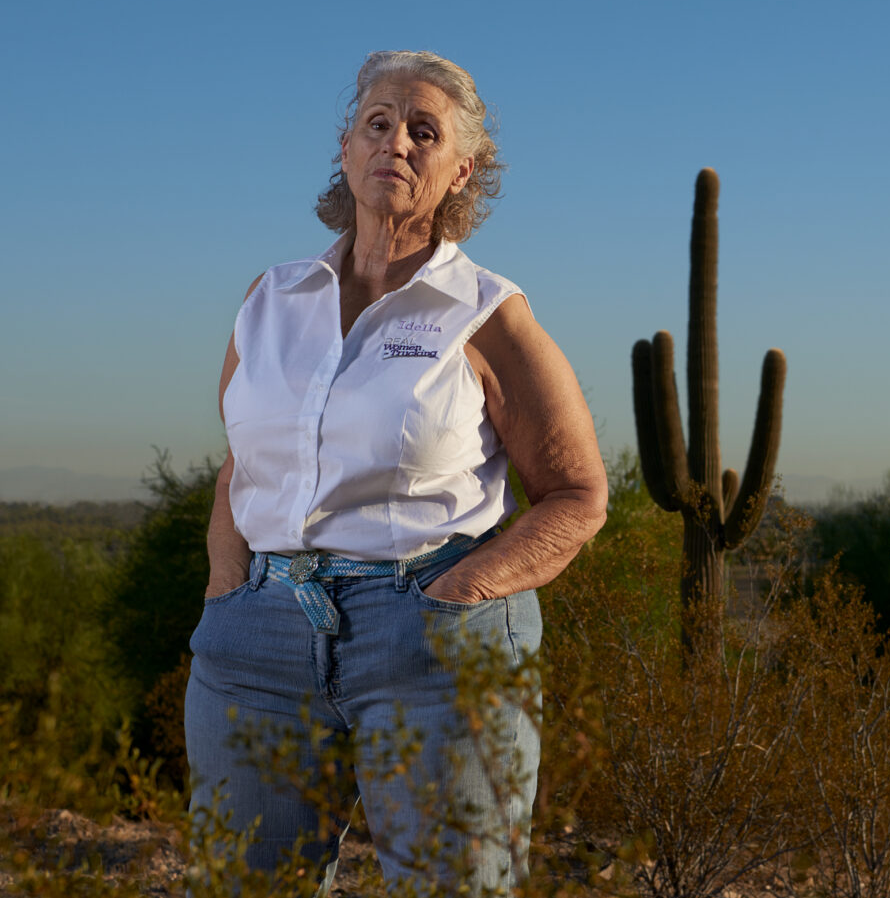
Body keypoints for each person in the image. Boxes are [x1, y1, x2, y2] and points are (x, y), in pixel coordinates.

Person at [184, 50, 608, 894]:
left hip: (428, 636)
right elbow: (242, 459)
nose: (398, 144)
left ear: (461, 170)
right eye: (379, 123)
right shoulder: (269, 300)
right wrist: (228, 583)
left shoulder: (488, 312)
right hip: (256, 637)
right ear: (346, 148)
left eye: (425, 131)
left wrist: (455, 596)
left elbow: (577, 494)